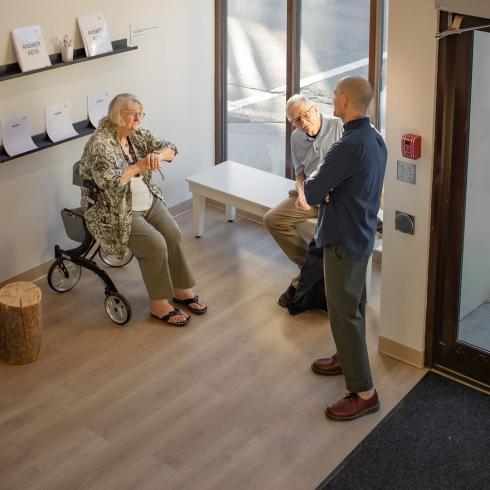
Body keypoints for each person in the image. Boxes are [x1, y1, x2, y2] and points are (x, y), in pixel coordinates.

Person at [79, 93, 207, 326]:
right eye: (133, 114)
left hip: (146, 199)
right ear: (118, 115)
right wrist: (139, 165)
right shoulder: (100, 144)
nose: (138, 118)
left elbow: (171, 148)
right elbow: (108, 180)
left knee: (173, 234)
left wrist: (159, 154)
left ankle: (180, 289)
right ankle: (158, 304)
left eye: (141, 113)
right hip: (115, 209)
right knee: (155, 245)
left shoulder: (136, 135)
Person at [303, 76, 387, 421]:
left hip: (342, 240)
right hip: (362, 233)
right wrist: (327, 188)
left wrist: (319, 186)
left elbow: (311, 193)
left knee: (345, 312)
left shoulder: (346, 147)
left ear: (343, 100)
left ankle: (363, 392)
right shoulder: (375, 138)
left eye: (335, 95)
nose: (333, 100)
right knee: (353, 306)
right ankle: (345, 356)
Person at [263, 95, 343, 307]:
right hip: (311, 194)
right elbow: (300, 177)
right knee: (273, 219)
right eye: (295, 120)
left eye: (305, 114)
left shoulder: (339, 126)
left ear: (315, 109)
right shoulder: (296, 138)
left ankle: (311, 275)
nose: (302, 122)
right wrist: (301, 193)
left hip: (338, 197)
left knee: (331, 237)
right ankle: (311, 268)